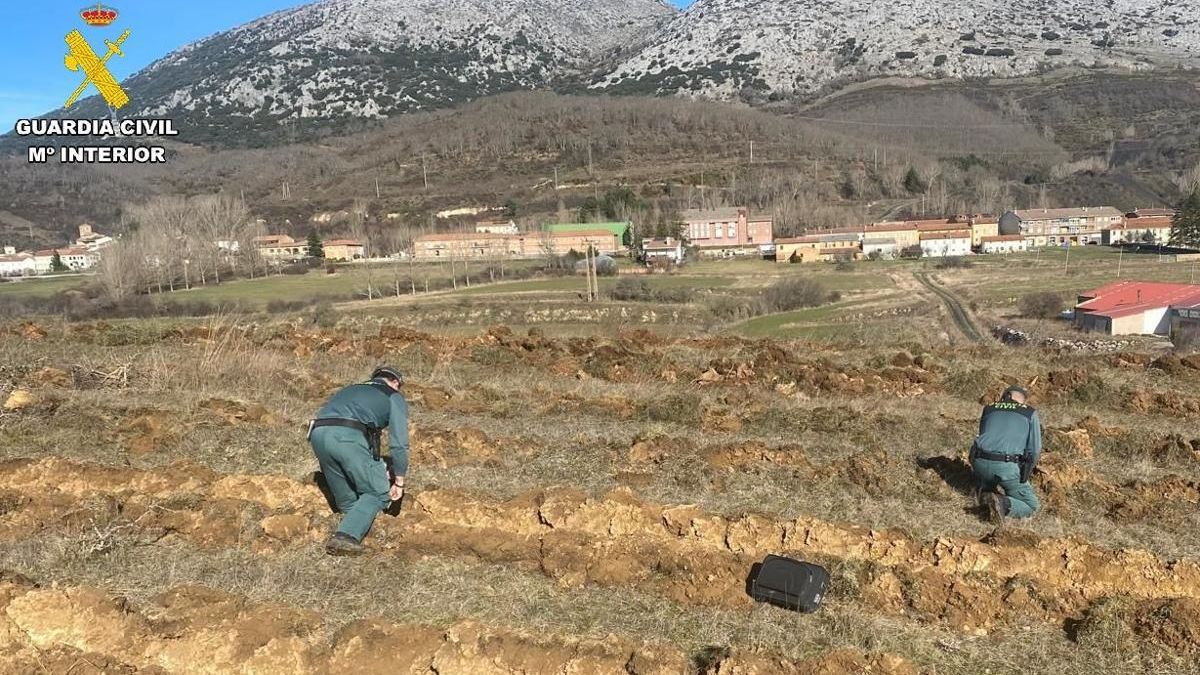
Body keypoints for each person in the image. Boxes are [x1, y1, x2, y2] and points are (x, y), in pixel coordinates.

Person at [308, 366, 409, 555]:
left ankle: (348, 532)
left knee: (348, 502)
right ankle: (345, 537)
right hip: (348, 436)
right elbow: (399, 443)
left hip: (318, 434)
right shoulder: (393, 395)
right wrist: (399, 480)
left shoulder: (351, 389)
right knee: (378, 492)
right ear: (395, 383)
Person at [970, 385, 1042, 523]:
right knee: (1031, 505)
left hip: (979, 462)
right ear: (1023, 401)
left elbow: (984, 435)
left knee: (989, 479)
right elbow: (1035, 449)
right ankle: (1003, 504)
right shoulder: (1029, 413)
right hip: (1005, 467)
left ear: (1004, 397)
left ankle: (984, 490)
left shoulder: (989, 408)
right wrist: (1024, 474)